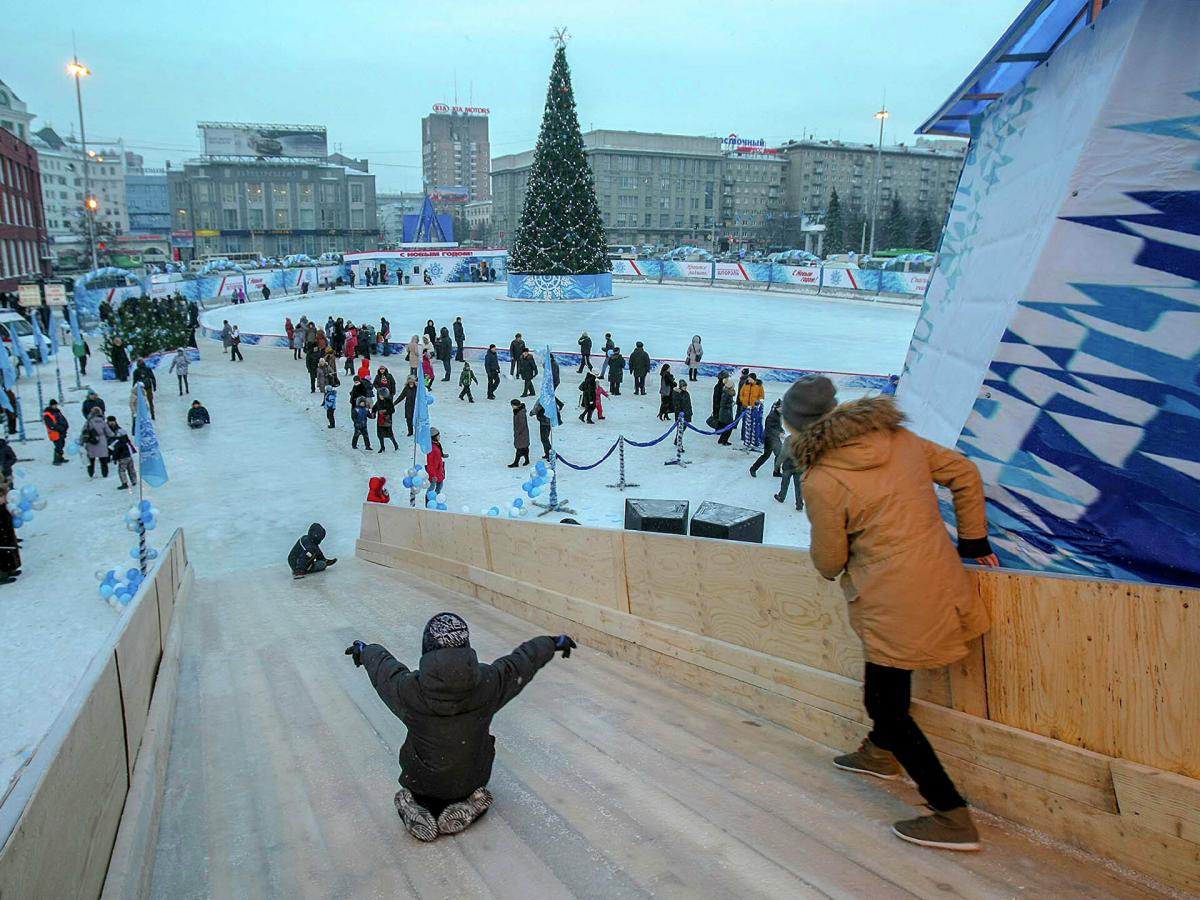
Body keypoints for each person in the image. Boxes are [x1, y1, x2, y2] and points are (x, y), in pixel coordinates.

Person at [783, 375, 997, 850]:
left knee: (885, 703)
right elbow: (963, 472)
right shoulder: (896, 437)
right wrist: (974, 540)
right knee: (890, 686)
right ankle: (880, 754)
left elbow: (829, 562)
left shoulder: (822, 479)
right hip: (941, 580)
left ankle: (951, 814)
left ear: (796, 427)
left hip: (890, 597)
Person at [344, 614, 575, 841]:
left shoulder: (408, 690)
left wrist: (365, 651)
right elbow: (520, 663)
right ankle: (470, 804)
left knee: (419, 787)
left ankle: (415, 807)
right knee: (471, 775)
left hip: (423, 782)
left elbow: (385, 670)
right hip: (469, 778)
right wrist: (552, 642)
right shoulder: (489, 682)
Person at [750, 399, 784, 476]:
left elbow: (777, 426)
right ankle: (753, 468)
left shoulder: (778, 415)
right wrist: (779, 433)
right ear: (777, 407)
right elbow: (769, 428)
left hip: (775, 438)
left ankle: (776, 472)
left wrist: (781, 431)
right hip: (769, 438)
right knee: (766, 455)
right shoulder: (772, 416)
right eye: (781, 407)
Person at [84, 406, 113, 478]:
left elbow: (84, 431)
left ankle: (91, 473)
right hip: (102, 440)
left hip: (91, 441)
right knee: (103, 459)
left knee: (91, 459)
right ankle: (105, 473)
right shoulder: (102, 422)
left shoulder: (89, 422)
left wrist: (82, 441)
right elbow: (109, 433)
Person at [107, 417, 136, 489]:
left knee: (121, 470)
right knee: (131, 469)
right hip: (128, 454)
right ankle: (134, 481)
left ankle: (124, 483)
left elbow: (115, 450)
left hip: (122, 457)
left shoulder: (116, 442)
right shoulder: (123, 435)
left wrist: (114, 458)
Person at [42, 399, 69, 465]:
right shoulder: (48, 414)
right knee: (58, 446)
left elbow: (63, 419)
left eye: (56, 404)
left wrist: (65, 426)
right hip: (55, 433)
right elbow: (51, 425)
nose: (55, 406)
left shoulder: (57, 412)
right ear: (51, 405)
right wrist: (60, 428)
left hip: (61, 432)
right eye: (54, 405)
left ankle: (60, 457)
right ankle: (56, 460)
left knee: (62, 444)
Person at [374, 388, 399, 452]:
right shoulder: (378, 401)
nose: (379, 396)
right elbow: (375, 407)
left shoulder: (389, 401)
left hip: (387, 420)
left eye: (381, 395)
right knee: (380, 434)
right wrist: (373, 412)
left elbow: (392, 410)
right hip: (380, 420)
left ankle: (395, 444)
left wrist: (385, 411)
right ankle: (382, 447)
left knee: (389, 434)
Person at [426, 428, 448, 497]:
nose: (439, 437)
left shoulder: (437, 444)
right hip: (434, 472)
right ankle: (428, 499)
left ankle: (434, 498)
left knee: (439, 486)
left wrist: (442, 455)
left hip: (439, 470)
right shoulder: (432, 449)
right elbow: (430, 463)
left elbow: (438, 454)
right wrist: (433, 475)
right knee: (432, 488)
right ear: (434, 437)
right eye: (438, 435)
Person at [509, 400, 530, 467]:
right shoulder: (518, 411)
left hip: (521, 434)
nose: (512, 407)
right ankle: (527, 460)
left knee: (519, 448)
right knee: (525, 447)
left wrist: (517, 432)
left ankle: (516, 462)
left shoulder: (520, 413)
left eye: (512, 405)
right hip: (523, 433)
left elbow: (522, 424)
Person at [716, 380, 737, 446]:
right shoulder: (726, 394)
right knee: (728, 428)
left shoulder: (727, 393)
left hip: (726, 413)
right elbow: (723, 404)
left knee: (725, 427)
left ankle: (721, 440)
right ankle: (724, 441)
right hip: (725, 414)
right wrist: (731, 404)